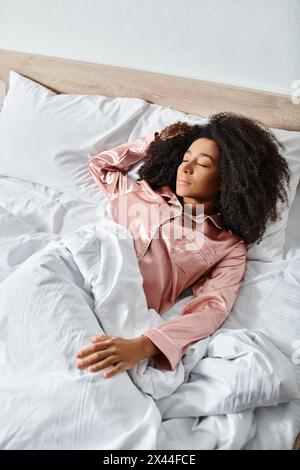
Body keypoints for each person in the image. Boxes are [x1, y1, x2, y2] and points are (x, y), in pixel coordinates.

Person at [75, 112, 290, 379]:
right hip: (78, 270)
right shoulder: (139, 193)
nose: (185, 168)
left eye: (201, 164)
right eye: (185, 159)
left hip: (120, 309)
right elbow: (101, 166)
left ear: (227, 179)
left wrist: (144, 345)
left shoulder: (227, 246)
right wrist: (154, 141)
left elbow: (212, 308)